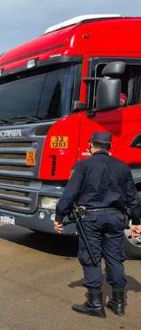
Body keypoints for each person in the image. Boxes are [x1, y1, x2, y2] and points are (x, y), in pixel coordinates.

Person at [54, 132, 141, 317]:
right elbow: (133, 197)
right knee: (115, 258)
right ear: (109, 146)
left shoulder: (83, 165)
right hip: (116, 218)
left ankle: (95, 304)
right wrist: (137, 221)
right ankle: (118, 303)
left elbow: (70, 193)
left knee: (91, 257)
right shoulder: (122, 167)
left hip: (91, 218)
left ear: (91, 145)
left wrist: (59, 216)